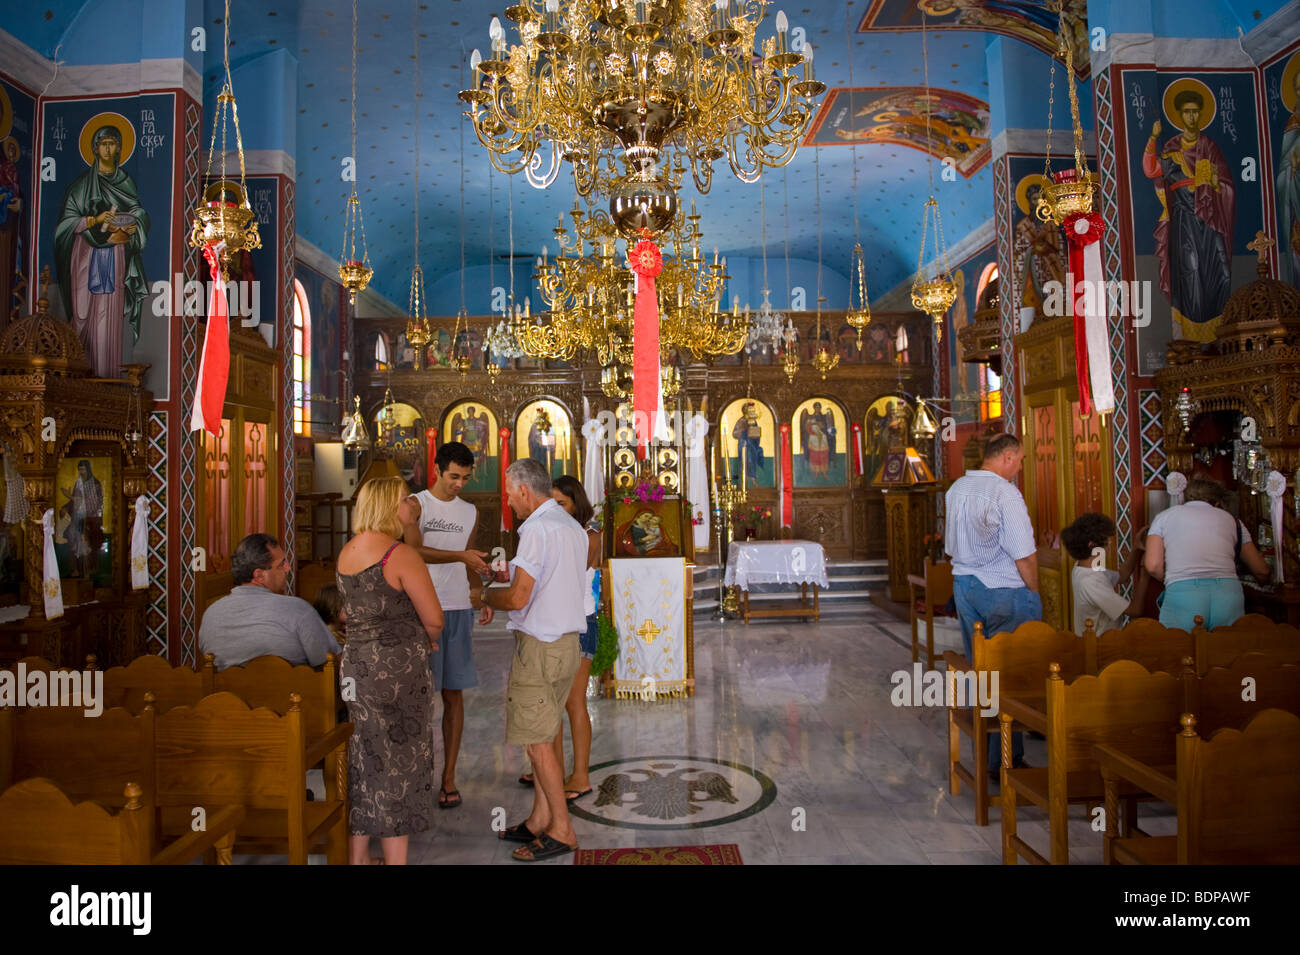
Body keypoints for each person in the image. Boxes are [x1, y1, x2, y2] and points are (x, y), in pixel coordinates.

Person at [336, 476, 444, 865]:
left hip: (357, 667)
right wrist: (425, 637)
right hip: (398, 671)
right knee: (400, 759)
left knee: (364, 757)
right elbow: (434, 618)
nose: (409, 506)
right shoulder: (398, 554)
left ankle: (358, 858)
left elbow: (350, 613)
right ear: (386, 506)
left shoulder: (347, 551)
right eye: (403, 500)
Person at [486, 459, 588, 862]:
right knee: (545, 732)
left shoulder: (536, 529)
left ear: (524, 491)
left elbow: (517, 598)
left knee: (539, 742)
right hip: (567, 645)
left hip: (541, 647)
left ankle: (562, 829)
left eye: (510, 495)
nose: (510, 503)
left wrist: (485, 596)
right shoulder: (572, 527)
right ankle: (539, 819)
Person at [402, 441, 494, 811]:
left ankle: (449, 776)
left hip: (457, 608)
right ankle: (416, 773)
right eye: (454, 476)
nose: (459, 484)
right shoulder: (415, 505)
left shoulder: (470, 511)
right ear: (437, 469)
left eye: (466, 479)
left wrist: (479, 592)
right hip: (420, 609)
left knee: (453, 695)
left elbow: (469, 558)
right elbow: (413, 552)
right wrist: (458, 555)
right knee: (419, 699)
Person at [944, 432, 1040, 778]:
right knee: (1011, 677)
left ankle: (988, 755)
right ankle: (1006, 762)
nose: (1021, 466)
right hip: (1004, 589)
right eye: (1021, 460)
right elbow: (1025, 556)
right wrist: (1035, 592)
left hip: (965, 587)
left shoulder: (957, 489)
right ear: (1009, 457)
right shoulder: (1006, 494)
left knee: (982, 671)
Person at [53, 122, 150, 378]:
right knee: (82, 315)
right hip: (85, 256)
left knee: (108, 318)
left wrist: (134, 223)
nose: (108, 149)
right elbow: (66, 224)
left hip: (115, 254)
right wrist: (94, 221)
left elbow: (138, 211)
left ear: (119, 147)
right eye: (103, 144)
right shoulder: (81, 186)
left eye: (113, 143)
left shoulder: (124, 181)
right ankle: (79, 376)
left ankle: (107, 378)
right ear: (95, 148)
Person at [1143, 87, 1235, 341]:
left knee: (1221, 271)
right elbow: (1151, 169)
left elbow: (1226, 185)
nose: (1192, 117)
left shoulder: (1209, 147)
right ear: (1181, 116)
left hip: (1209, 219)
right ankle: (1192, 338)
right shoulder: (1172, 148)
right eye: (1187, 113)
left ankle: (1220, 333)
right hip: (1183, 220)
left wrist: (1215, 183)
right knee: (1190, 271)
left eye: (1196, 112)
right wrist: (1153, 137)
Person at [199, 534, 342, 670]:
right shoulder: (297, 609)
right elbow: (331, 662)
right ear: (259, 575)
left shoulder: (210, 614)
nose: (288, 568)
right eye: (281, 564)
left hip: (223, 695)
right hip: (292, 694)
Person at [1143, 477, 1270, 631]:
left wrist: (1174, 579)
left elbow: (1153, 565)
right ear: (1217, 503)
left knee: (1178, 651)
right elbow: (1261, 570)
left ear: (1185, 497)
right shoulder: (1233, 521)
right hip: (1228, 594)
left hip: (1183, 595)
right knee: (1226, 652)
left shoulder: (1164, 517)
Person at [1060, 513, 1150, 635]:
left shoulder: (1082, 567)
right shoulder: (1091, 581)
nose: (1110, 544)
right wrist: (1145, 573)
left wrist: (1135, 548)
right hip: (1099, 648)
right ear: (1092, 545)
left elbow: (1122, 575)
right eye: (1106, 540)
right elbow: (1135, 610)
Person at [60, 459, 104, 578]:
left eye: (83, 469)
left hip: (90, 520)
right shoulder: (78, 482)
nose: (81, 472)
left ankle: (88, 571)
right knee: (74, 541)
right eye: (79, 469)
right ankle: (76, 570)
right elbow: (75, 501)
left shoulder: (95, 484)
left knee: (86, 545)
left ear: (88, 469)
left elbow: (97, 504)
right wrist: (65, 507)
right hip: (78, 517)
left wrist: (71, 497)